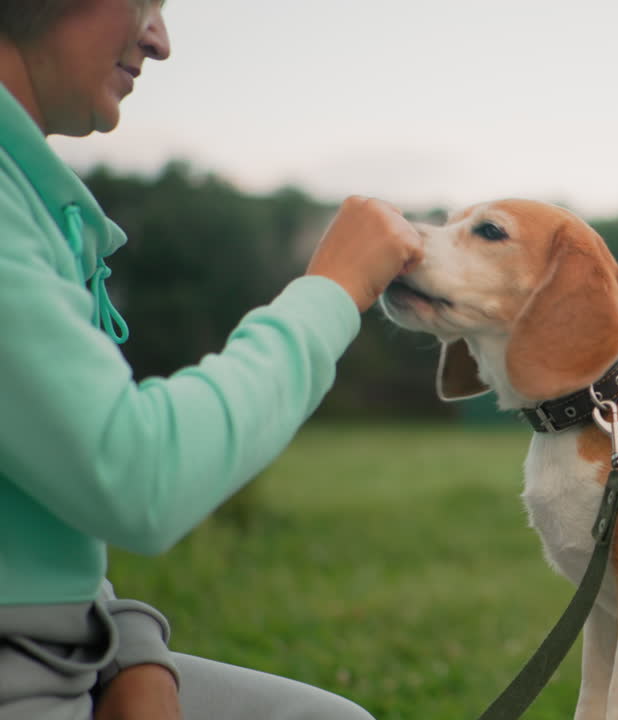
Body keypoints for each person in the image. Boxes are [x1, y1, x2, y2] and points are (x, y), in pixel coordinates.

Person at [0, 1, 424, 718]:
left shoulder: (31, 203)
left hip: (63, 653)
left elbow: (38, 495)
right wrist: (333, 291)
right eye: (145, 2)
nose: (160, 40)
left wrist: (132, 650)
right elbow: (136, 473)